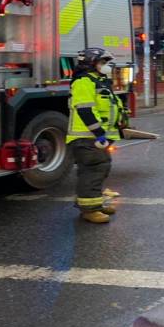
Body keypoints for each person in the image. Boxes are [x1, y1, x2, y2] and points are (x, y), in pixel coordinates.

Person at [67, 48, 128, 224]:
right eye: (102, 62)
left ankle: (95, 203)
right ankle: (89, 210)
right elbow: (85, 109)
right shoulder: (83, 81)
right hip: (86, 137)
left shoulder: (98, 81)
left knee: (99, 169)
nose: (105, 66)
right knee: (93, 171)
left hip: (94, 137)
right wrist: (99, 133)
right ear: (91, 63)